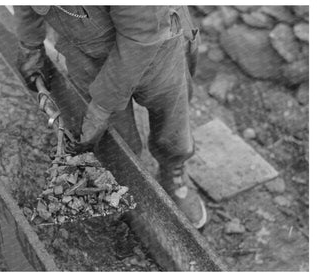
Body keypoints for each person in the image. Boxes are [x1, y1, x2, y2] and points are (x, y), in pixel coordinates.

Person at [15, 6, 207, 228]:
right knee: (116, 137)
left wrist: (102, 105)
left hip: (155, 43)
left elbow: (142, 35)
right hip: (85, 45)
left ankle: (174, 171)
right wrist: (29, 42)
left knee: (171, 120)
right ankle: (131, 181)